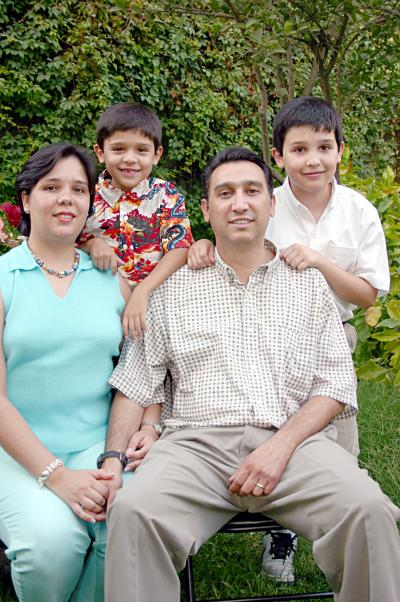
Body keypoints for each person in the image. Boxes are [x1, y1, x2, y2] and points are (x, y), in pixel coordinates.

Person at [104, 147, 400, 602]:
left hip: (294, 445)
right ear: (206, 209)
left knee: (370, 512)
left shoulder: (307, 284)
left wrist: (280, 448)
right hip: (194, 448)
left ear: (271, 203)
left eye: (251, 191)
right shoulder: (174, 288)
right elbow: (135, 382)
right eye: (224, 193)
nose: (239, 203)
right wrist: (113, 461)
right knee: (133, 511)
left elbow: (335, 385)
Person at [187, 96, 390, 581]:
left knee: (336, 446)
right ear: (278, 156)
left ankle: (335, 526)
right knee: (270, 425)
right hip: (266, 336)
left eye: (324, 147)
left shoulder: (358, 213)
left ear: (340, 150)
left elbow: (366, 296)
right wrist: (199, 245)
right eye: (298, 149)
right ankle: (281, 534)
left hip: (332, 336)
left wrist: (320, 261)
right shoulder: (264, 203)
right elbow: (228, 246)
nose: (312, 159)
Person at [0, 143, 159, 602]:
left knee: (132, 523)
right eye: (51, 187)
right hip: (16, 452)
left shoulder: (111, 278)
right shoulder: (4, 279)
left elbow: (144, 363)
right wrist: (56, 477)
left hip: (100, 445)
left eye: (78, 189)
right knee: (53, 544)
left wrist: (148, 425)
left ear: (91, 201)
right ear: (27, 200)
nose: (66, 198)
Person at [79, 102, 194, 339]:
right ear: (100, 152)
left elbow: (180, 248)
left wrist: (142, 291)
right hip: (96, 308)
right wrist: (92, 244)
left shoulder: (165, 194)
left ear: (156, 155)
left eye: (141, 150)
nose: (130, 159)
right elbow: (64, 238)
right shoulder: (86, 193)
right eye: (119, 149)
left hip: (154, 310)